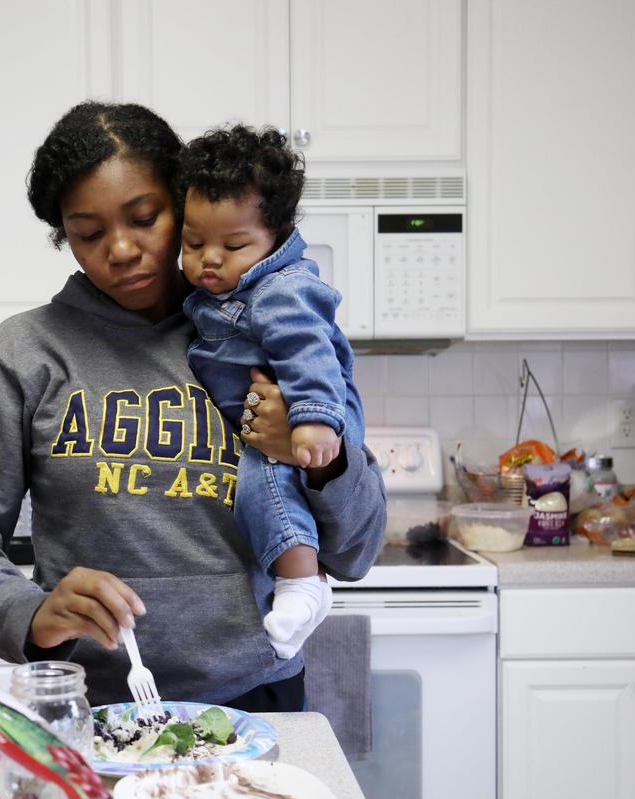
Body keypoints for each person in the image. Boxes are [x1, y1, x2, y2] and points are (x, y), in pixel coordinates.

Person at [0, 102, 386, 712]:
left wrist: (320, 460)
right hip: (92, 704)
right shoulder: (26, 353)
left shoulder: (276, 331)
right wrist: (28, 612)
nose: (122, 249)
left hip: (256, 695)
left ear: (184, 205)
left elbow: (356, 551)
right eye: (88, 233)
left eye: (144, 218)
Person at [180, 125, 366, 658]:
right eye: (193, 243)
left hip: (306, 418)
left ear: (277, 238)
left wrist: (311, 419)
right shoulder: (216, 296)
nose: (209, 258)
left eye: (233, 245)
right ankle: (300, 581)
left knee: (265, 481)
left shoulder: (279, 290)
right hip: (273, 421)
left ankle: (303, 583)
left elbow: (308, 349)